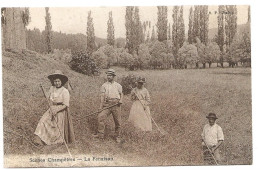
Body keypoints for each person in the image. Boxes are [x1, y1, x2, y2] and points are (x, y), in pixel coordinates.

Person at [33, 70, 75, 146]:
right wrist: (43, 90)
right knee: (43, 121)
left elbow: (65, 105)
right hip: (51, 108)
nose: (57, 83)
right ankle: (39, 140)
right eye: (55, 81)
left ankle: (55, 142)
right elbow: (48, 96)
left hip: (61, 110)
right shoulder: (52, 88)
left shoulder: (65, 91)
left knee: (56, 127)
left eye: (58, 81)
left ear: (61, 81)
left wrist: (56, 110)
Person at [93, 69, 123, 143]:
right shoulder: (104, 85)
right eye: (107, 75)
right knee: (100, 117)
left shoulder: (118, 85)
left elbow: (121, 94)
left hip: (116, 104)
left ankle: (117, 136)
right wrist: (101, 107)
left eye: (110, 75)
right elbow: (102, 97)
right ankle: (100, 136)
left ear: (113, 76)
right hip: (107, 104)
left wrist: (121, 100)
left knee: (118, 121)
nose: (108, 77)